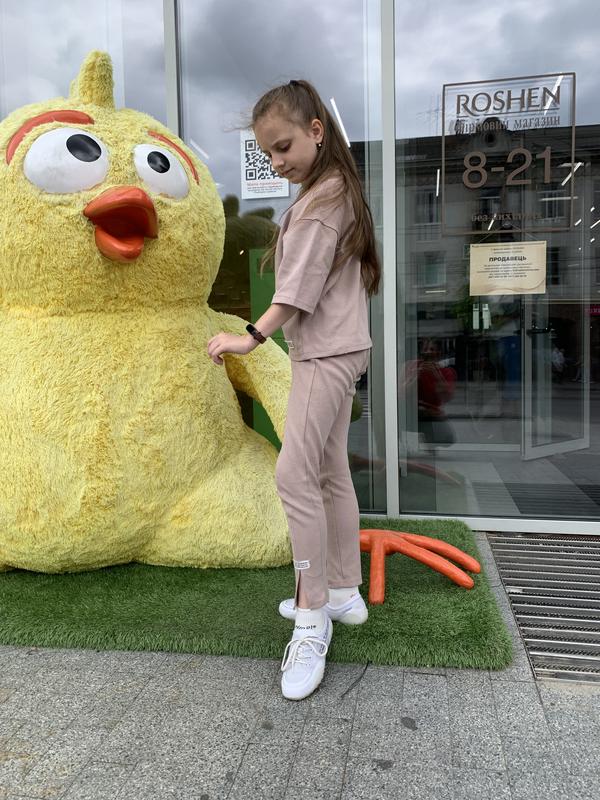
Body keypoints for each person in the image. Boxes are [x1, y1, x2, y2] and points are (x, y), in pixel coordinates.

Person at [207, 79, 380, 700]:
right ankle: (343, 592)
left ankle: (312, 616)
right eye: (268, 153)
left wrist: (249, 337)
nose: (277, 162)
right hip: (340, 346)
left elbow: (297, 290)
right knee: (329, 470)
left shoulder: (323, 200)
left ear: (316, 131)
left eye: (283, 147)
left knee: (294, 475)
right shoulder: (333, 191)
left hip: (326, 352)